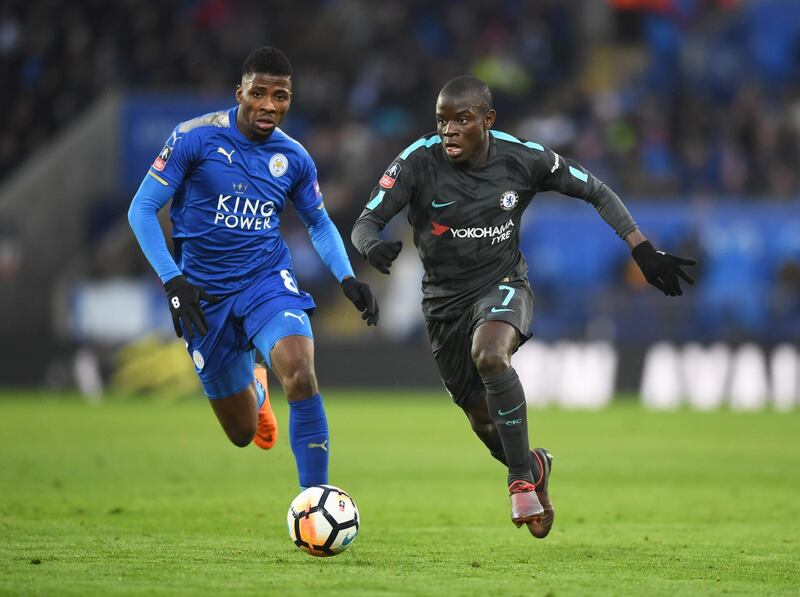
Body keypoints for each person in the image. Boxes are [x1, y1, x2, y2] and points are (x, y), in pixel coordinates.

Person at [351, 76, 695, 537]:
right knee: (481, 420)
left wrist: (641, 248)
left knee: (491, 355)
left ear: (487, 121)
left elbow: (595, 188)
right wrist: (372, 246)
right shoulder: (418, 160)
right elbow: (366, 220)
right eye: (442, 120)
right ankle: (532, 466)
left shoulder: (524, 157)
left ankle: (518, 483)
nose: (448, 130)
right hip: (442, 305)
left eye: (462, 119)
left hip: (504, 283)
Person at [128, 47, 379, 490]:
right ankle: (256, 390)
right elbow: (142, 209)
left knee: (300, 371)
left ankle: (313, 501)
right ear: (239, 92)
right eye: (258, 93)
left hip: (266, 281)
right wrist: (172, 280)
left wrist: (347, 277)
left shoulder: (295, 158)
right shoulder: (194, 137)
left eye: (280, 96)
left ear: (289, 99)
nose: (268, 105)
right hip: (204, 296)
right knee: (243, 433)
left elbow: (318, 222)